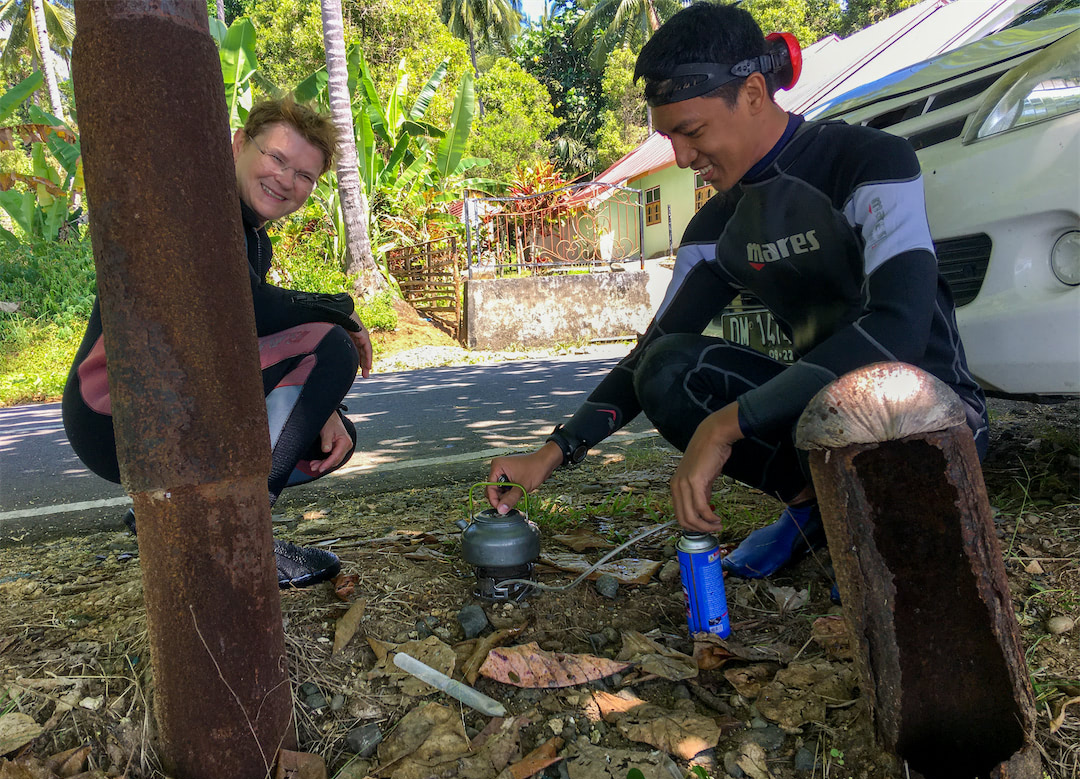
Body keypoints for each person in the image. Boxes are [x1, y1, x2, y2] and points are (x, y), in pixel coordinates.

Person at [487, 2, 988, 579]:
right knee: (667, 368)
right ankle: (816, 510)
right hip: (822, 428)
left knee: (875, 417)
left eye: (691, 131)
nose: (680, 157)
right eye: (667, 136)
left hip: (931, 417)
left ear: (753, 92)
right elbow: (650, 356)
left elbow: (898, 326)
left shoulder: (868, 161)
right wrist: (549, 456)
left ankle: (883, 530)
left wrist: (725, 424)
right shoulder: (715, 229)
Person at [62, 97, 373, 588]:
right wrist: (340, 309)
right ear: (237, 144)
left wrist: (322, 399)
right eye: (276, 158)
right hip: (118, 414)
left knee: (329, 436)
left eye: (306, 176)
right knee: (333, 345)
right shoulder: (195, 203)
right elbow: (245, 304)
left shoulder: (251, 237)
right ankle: (239, 536)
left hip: (174, 401)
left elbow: (243, 334)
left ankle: (178, 519)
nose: (287, 180)